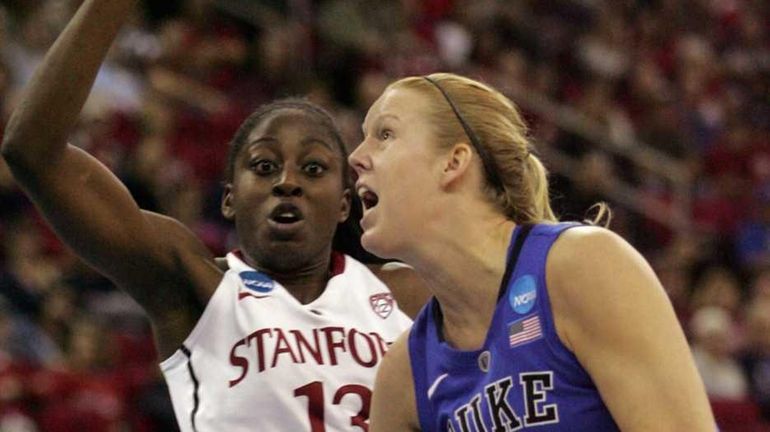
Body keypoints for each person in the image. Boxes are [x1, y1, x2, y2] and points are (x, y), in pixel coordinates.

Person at [1, 0, 428, 430]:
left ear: (342, 204)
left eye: (313, 168)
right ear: (229, 199)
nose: (287, 181)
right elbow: (32, 151)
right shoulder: (195, 286)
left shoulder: (409, 293)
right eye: (263, 166)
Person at [349, 73, 716, 431]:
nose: (356, 157)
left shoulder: (582, 267)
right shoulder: (404, 375)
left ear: (454, 162)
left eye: (385, 134)